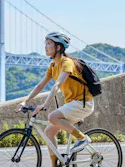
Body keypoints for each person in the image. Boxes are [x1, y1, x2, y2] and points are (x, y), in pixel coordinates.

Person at [16, 31, 94, 167]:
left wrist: (44, 105)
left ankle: (83, 138)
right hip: (72, 105)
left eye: (49, 43)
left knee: (52, 117)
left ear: (58, 47)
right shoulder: (53, 66)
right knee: (48, 132)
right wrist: (25, 100)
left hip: (83, 103)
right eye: (45, 43)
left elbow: (57, 85)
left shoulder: (67, 62)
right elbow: (40, 85)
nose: (45, 46)